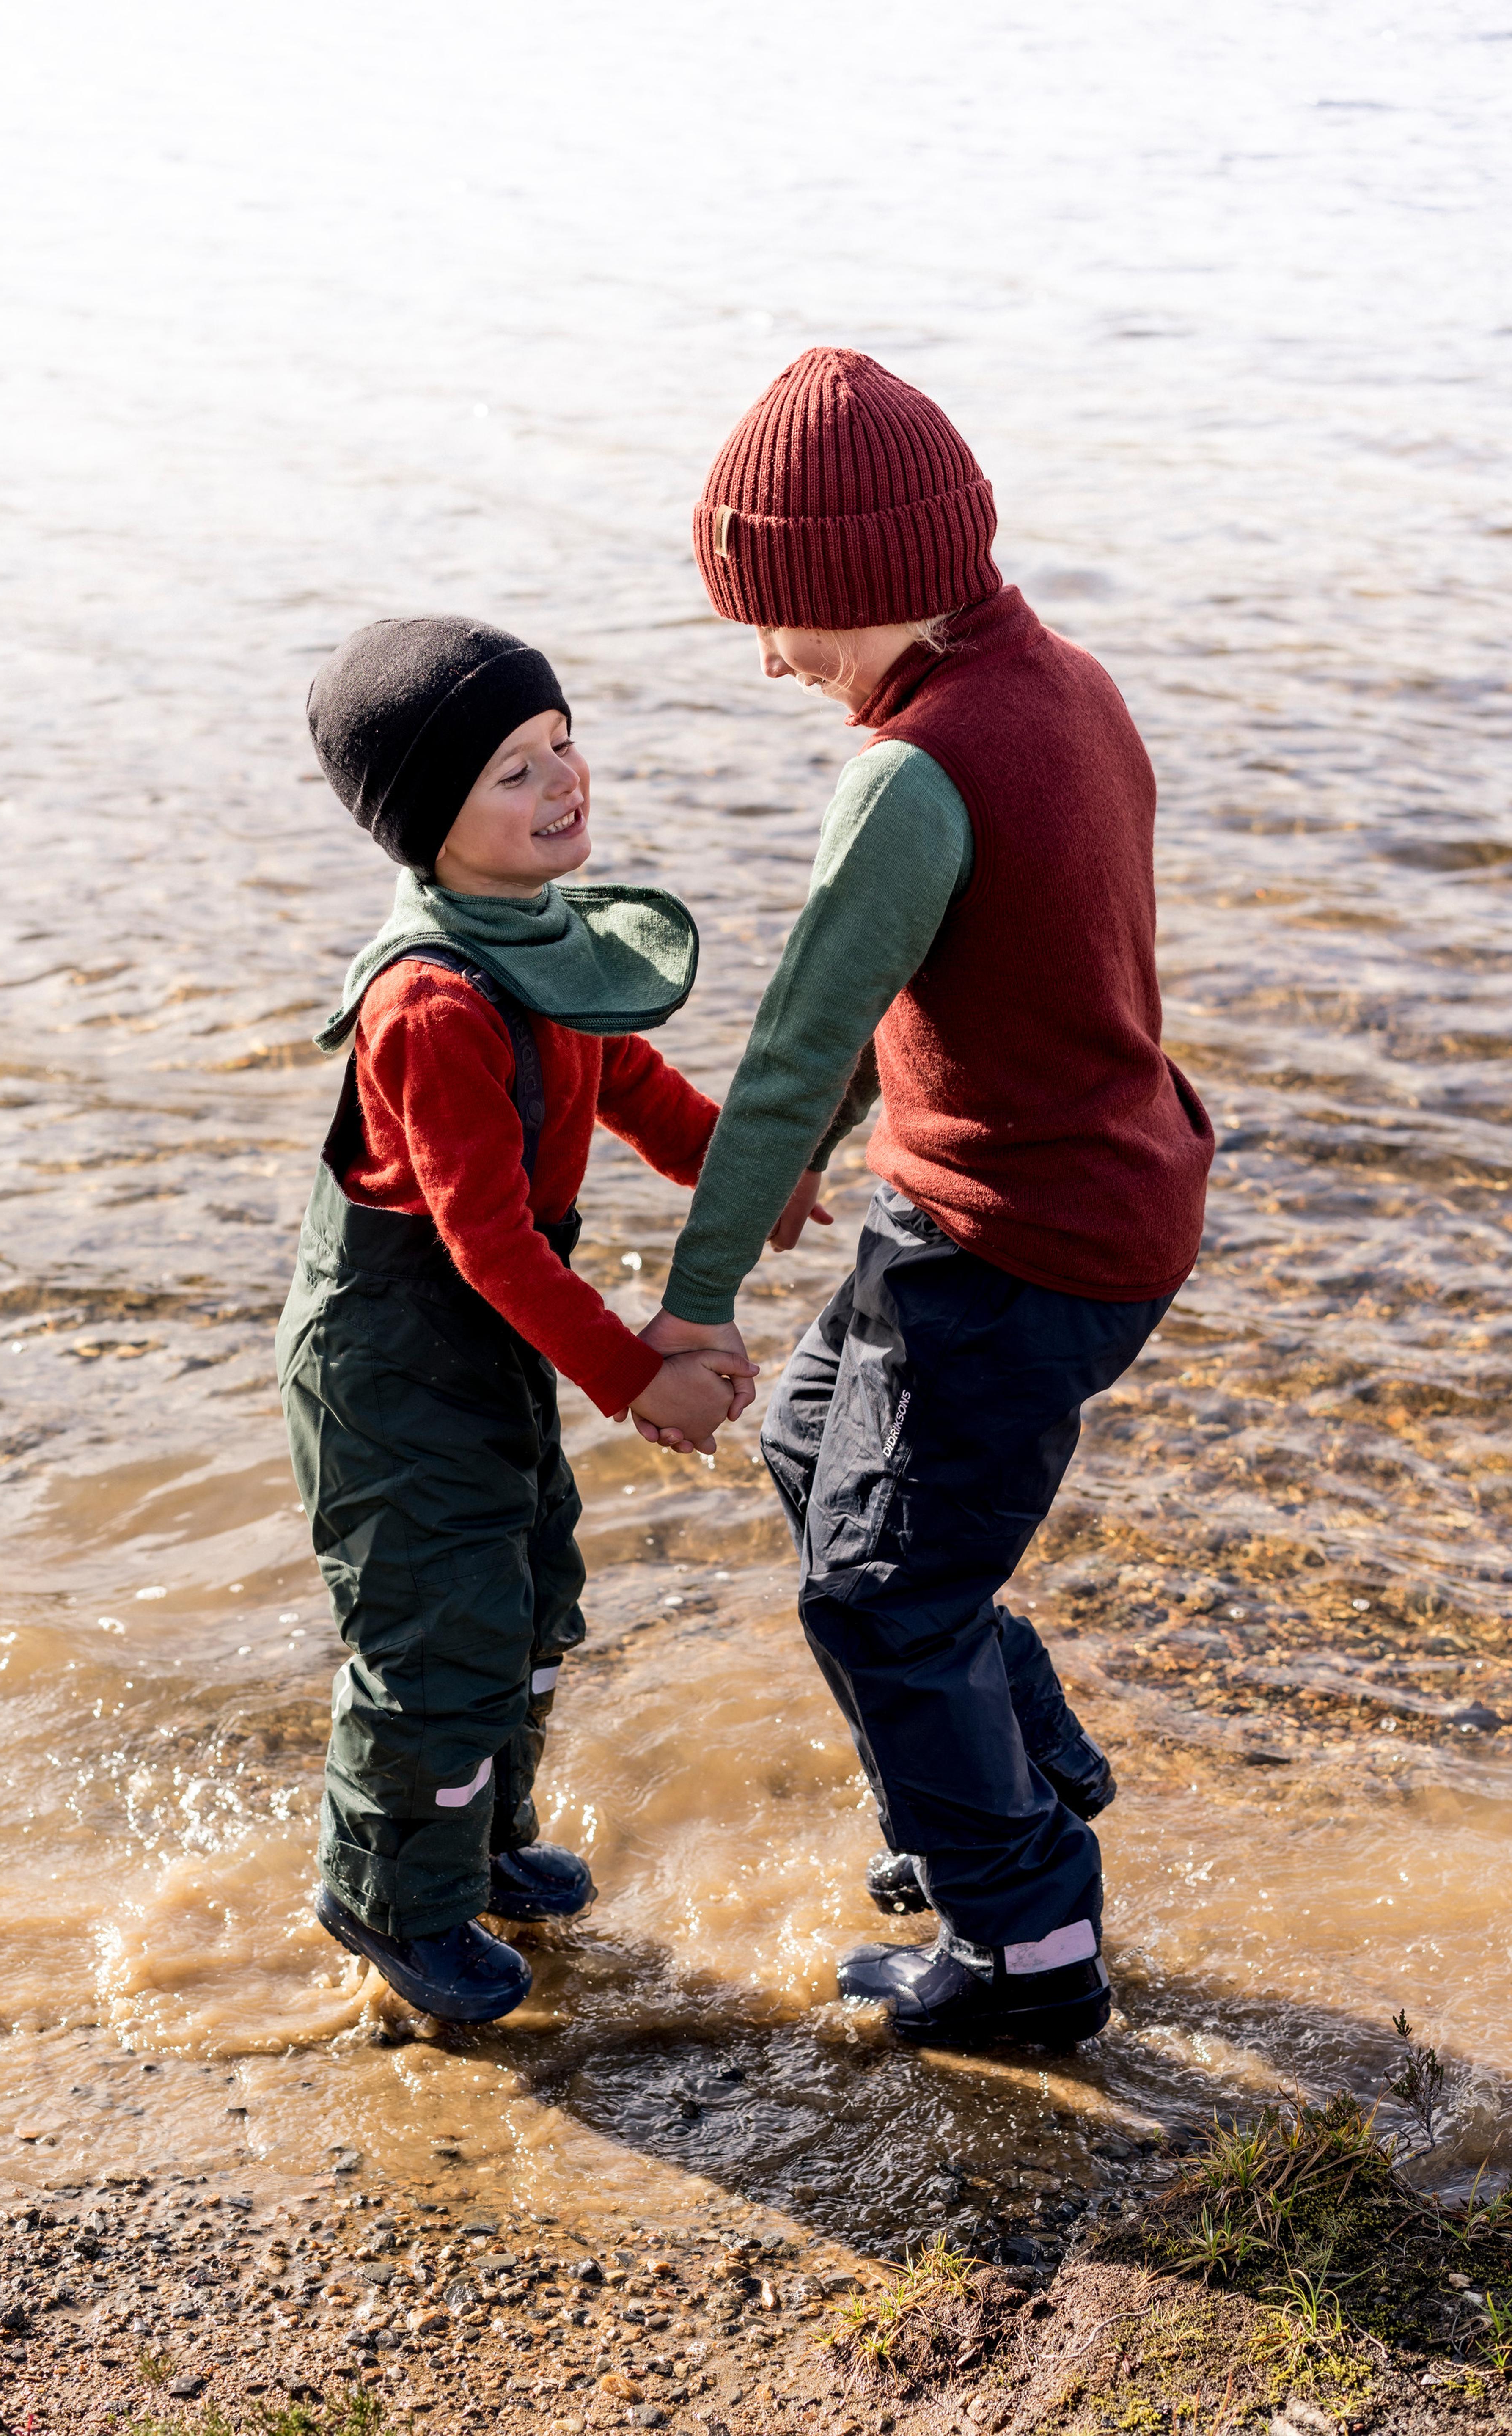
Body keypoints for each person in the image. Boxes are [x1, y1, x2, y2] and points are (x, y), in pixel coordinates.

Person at [642, 349, 1215, 2049]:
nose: (769, 657)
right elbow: (918, 994)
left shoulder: (914, 773)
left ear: (870, 579)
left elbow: (795, 1038)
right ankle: (1005, 1767)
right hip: (1084, 1195)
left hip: (1010, 1243)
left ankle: (1027, 1949)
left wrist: (694, 1299)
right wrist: (820, 1151)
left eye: (779, 616)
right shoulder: (1070, 683)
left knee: (881, 1597)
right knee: (820, 1456)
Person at [278, 617, 756, 2025]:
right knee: (439, 1627)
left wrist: (747, 1168)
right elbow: (485, 1239)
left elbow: (627, 1080)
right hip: (389, 1357)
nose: (564, 781)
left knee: (532, 1590)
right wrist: (636, 1377)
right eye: (514, 771)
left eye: (563, 743)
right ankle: (386, 1895)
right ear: (432, 819)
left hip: (488, 1336)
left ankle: (478, 1845)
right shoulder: (431, 1001)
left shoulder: (545, 939)